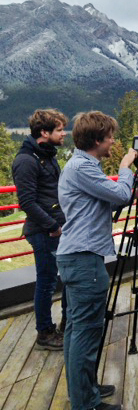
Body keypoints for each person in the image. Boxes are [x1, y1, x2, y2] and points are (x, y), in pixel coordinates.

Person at [56, 111, 138, 410]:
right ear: (96, 140)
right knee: (86, 333)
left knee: (76, 330)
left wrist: (129, 186)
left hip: (76, 257)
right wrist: (125, 168)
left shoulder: (82, 165)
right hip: (83, 260)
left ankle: (83, 389)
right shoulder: (82, 168)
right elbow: (119, 194)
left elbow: (109, 196)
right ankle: (86, 403)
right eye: (110, 137)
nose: (113, 141)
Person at [12, 109, 69, 350]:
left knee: (64, 278)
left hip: (55, 228)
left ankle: (67, 325)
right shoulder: (26, 160)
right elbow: (27, 202)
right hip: (44, 232)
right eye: (59, 130)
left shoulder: (45, 155)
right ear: (44, 132)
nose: (64, 133)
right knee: (46, 282)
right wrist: (53, 226)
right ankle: (45, 333)